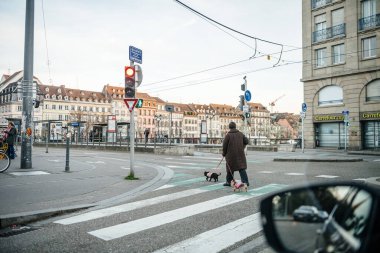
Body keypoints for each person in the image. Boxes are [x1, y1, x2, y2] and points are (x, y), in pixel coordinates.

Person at [222, 121, 250, 187]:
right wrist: (242, 147)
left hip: (230, 155)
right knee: (241, 168)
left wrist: (224, 153)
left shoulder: (228, 135)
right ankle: (245, 182)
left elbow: (224, 146)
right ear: (235, 126)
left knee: (230, 169)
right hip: (240, 154)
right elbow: (246, 141)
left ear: (229, 127)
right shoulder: (240, 134)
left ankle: (229, 182)